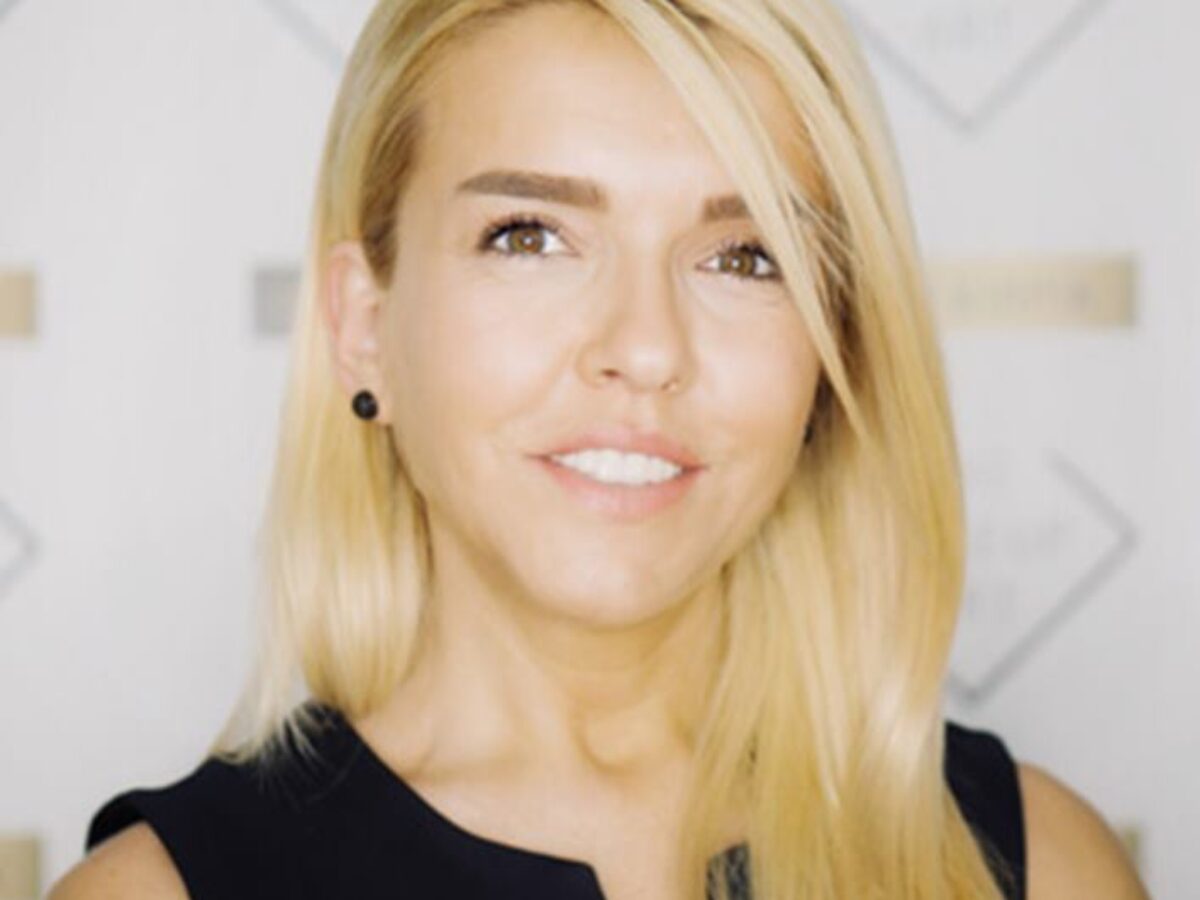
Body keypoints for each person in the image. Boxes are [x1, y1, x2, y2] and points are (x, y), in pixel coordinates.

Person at [51, 0, 1149, 897]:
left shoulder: (1042, 866)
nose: (645, 348)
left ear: (834, 351)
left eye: (744, 257)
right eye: (529, 236)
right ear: (363, 326)